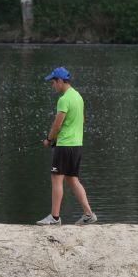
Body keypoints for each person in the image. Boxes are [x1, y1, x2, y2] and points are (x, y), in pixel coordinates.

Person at [37, 67, 97, 226]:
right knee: (72, 180)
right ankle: (88, 214)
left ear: (61, 81)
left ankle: (55, 218)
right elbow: (82, 120)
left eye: (54, 82)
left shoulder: (64, 99)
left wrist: (49, 140)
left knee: (56, 179)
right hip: (77, 145)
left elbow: (57, 124)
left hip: (64, 146)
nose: (53, 86)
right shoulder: (78, 97)